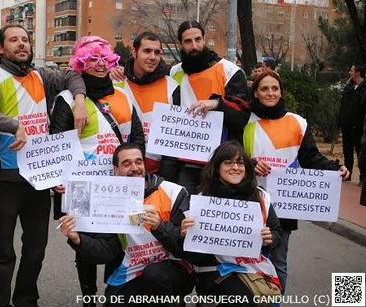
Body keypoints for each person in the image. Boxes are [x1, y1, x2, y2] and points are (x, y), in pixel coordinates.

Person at [0, 24, 87, 307]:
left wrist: (79, 99)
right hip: (4, 179)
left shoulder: (41, 75)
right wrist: (13, 125)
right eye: (14, 40)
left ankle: (26, 300)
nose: (22, 44)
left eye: (25, 40)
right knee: (2, 251)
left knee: (36, 250)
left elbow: (73, 76)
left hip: (39, 178)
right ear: (1, 48)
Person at [50, 36, 145, 306]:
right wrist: (58, 179)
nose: (100, 65)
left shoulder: (124, 95)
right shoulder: (67, 100)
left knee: (118, 241)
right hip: (82, 188)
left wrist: (134, 171)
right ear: (80, 63)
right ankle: (88, 296)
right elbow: (57, 142)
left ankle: (114, 294)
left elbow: (137, 138)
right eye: (93, 59)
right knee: (85, 246)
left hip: (118, 186)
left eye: (105, 59)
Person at [243, 71, 349, 292]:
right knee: (248, 261)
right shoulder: (244, 120)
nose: (270, 93)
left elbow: (310, 157)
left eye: (274, 88)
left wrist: (335, 167)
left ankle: (275, 304)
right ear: (255, 92)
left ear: (281, 92)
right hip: (249, 200)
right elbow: (229, 154)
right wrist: (250, 163)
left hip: (284, 203)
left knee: (279, 261)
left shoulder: (297, 122)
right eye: (264, 89)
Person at [59, 143, 195, 306]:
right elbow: (106, 252)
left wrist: (160, 226)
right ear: (115, 170)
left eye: (138, 162)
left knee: (154, 274)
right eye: (126, 163)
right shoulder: (108, 198)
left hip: (172, 267)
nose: (134, 167)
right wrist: (77, 239)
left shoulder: (173, 192)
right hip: (132, 268)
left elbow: (184, 247)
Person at [180, 141, 282, 306]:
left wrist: (271, 238)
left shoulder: (261, 197)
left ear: (246, 168)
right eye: (228, 162)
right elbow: (193, 253)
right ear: (217, 168)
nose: (235, 167)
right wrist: (185, 233)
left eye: (240, 163)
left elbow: (277, 231)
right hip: (214, 270)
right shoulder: (202, 199)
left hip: (253, 268)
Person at [169, 20, 248, 194]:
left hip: (221, 164)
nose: (194, 46)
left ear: (204, 39)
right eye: (188, 42)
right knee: (186, 212)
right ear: (180, 44)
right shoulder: (174, 72)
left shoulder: (229, 71)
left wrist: (217, 104)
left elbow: (242, 116)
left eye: (198, 39)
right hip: (186, 160)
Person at [110, 31, 180, 174]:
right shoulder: (116, 82)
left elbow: (174, 140)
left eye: (157, 52)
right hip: (122, 172)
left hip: (158, 174)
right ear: (135, 52)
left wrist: (165, 177)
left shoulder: (171, 86)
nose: (152, 57)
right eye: (147, 51)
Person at [338, 63, 366, 183]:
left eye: (351, 70)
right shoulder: (348, 87)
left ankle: (363, 177)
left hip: (359, 127)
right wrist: (340, 120)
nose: (350, 72)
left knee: (360, 151)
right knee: (347, 151)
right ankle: (347, 174)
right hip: (347, 126)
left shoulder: (364, 88)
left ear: (358, 73)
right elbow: (343, 105)